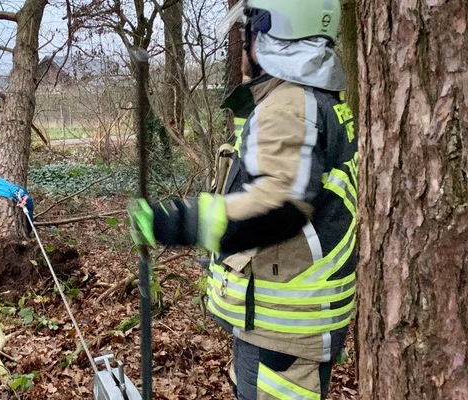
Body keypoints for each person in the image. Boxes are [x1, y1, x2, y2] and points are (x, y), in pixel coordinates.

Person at [129, 0, 358, 399]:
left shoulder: (290, 104)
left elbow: (277, 206)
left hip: (283, 328)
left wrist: (174, 221)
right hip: (294, 319)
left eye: (250, 29)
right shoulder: (323, 101)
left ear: (276, 32)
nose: (245, 41)